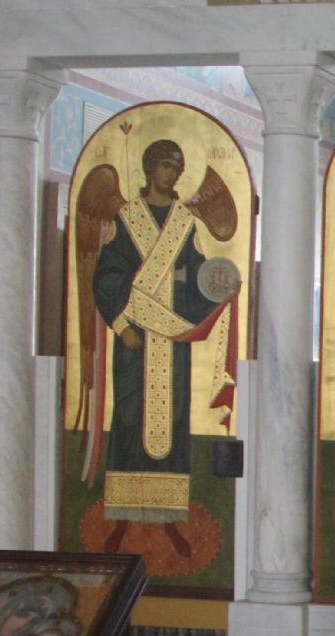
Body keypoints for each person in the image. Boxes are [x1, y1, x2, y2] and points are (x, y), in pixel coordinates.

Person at [92, 139, 233, 558]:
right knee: (129, 417)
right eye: (167, 166)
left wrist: (220, 288)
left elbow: (196, 277)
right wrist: (122, 325)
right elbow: (107, 276)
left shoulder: (184, 223)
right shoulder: (127, 218)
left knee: (172, 421)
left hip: (172, 343)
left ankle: (170, 519)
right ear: (150, 167)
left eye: (178, 168)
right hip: (134, 341)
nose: (173, 174)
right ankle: (121, 517)